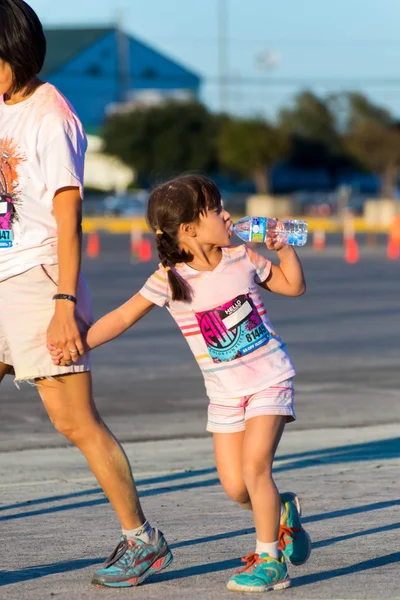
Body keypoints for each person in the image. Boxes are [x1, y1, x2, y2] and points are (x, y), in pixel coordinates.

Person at [50, 174, 312, 593]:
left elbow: (293, 286)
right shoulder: (169, 280)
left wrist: (285, 250)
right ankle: (281, 511)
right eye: (216, 209)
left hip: (270, 378)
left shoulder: (242, 256)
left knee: (255, 467)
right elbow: (120, 317)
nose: (227, 214)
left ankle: (269, 559)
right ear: (189, 229)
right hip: (223, 394)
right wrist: (78, 344)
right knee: (234, 485)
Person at [0, 0, 172, 589]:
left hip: (41, 280)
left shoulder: (52, 117)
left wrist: (64, 306)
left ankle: (141, 539)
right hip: (1, 275)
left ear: (16, 54)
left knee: (75, 421)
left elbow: (67, 217)